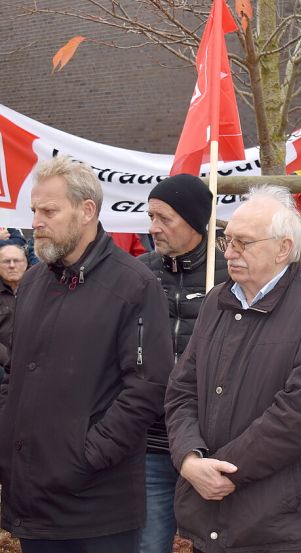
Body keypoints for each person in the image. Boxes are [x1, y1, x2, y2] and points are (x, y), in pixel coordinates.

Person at [164, 185, 301, 553]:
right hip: (212, 522)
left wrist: (222, 468)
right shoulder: (216, 301)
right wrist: (189, 457)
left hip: (284, 528)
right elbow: (182, 390)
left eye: (243, 243)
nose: (229, 252)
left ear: (283, 248)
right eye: (227, 241)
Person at [0, 156, 173, 553]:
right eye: (34, 211)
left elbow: (147, 387)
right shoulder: (32, 282)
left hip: (99, 507)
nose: (37, 221)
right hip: (34, 502)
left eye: (49, 210)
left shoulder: (134, 284)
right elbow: (15, 373)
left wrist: (85, 457)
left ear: (86, 211)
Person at [137, 173, 229, 553]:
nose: (153, 228)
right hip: (151, 442)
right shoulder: (139, 273)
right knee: (147, 545)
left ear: (193, 221)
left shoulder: (231, 273)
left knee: (215, 545)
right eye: (151, 217)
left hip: (213, 442)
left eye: (164, 218)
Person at [0, 244, 28, 374]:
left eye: (16, 261)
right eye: (6, 261)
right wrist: (12, 362)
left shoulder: (41, 289)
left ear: (26, 263)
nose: (12, 265)